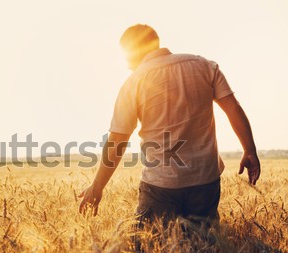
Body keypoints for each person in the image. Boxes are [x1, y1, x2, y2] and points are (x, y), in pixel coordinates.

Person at [78, 24, 260, 225]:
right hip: (205, 180)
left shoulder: (133, 82)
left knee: (151, 247)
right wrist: (249, 150)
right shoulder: (205, 66)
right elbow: (233, 108)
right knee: (203, 247)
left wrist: (97, 187)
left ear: (131, 52)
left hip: (160, 184)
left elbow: (118, 140)